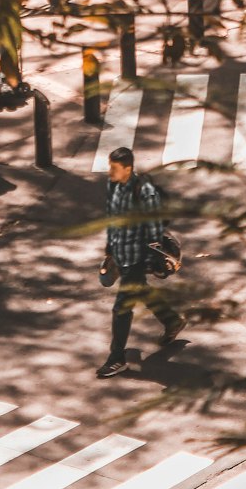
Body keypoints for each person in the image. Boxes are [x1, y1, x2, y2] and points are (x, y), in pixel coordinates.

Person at [97, 146, 184, 378]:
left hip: (136, 257)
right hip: (122, 254)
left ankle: (117, 358)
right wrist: (110, 250)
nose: (110, 172)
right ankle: (172, 320)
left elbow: (154, 231)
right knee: (142, 292)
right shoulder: (114, 186)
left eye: (114, 168)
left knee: (121, 309)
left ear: (128, 168)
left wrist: (149, 261)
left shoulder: (145, 193)